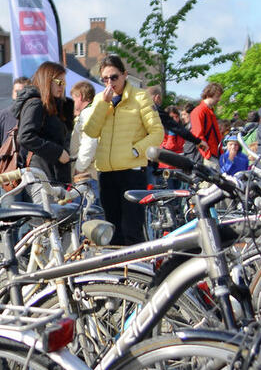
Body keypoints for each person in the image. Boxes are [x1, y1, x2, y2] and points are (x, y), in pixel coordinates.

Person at [82, 55, 163, 246]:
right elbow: (90, 131)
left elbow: (158, 133)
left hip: (132, 172)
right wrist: (103, 104)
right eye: (105, 79)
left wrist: (137, 151)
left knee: (131, 229)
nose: (110, 83)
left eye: (114, 77)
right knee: (111, 230)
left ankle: (138, 272)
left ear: (125, 75)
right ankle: (116, 272)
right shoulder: (100, 99)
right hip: (107, 172)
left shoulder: (140, 97)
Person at [14, 62, 74, 184]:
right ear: (47, 80)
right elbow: (25, 136)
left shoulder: (55, 105)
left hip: (53, 174)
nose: (62, 86)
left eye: (64, 83)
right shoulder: (36, 103)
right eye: (59, 82)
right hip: (41, 174)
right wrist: (58, 152)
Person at [0, 76, 31, 174]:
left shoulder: (37, 115)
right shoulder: (2, 116)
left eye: (23, 92)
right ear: (12, 93)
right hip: (8, 175)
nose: (19, 95)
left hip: (33, 174)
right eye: (16, 92)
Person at [69, 81, 102, 219]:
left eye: (74, 98)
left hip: (86, 175)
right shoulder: (93, 112)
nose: (73, 102)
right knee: (95, 218)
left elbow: (89, 142)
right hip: (93, 173)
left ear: (80, 96)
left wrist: (79, 168)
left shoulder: (87, 113)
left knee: (85, 220)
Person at [189, 82, 224, 164]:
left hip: (214, 154)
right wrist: (208, 155)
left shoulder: (208, 111)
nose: (219, 99)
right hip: (209, 156)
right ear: (209, 95)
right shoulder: (199, 111)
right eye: (217, 96)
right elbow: (198, 136)